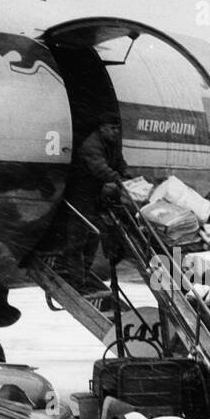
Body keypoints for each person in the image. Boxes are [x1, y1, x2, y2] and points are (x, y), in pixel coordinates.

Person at [61, 110, 129, 287]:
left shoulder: (111, 143)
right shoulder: (91, 145)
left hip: (93, 195)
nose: (116, 132)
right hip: (81, 194)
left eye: (117, 128)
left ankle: (83, 274)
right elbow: (100, 169)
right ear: (102, 128)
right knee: (77, 239)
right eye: (112, 128)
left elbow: (119, 162)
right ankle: (76, 280)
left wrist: (127, 176)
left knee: (93, 235)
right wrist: (120, 181)